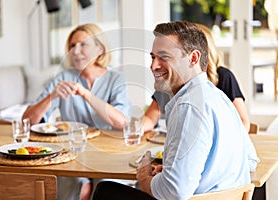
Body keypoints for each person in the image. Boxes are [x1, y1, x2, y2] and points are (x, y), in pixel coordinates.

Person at [92, 21, 259, 200]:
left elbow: (174, 192)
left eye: (164, 57)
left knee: (106, 191)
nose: (153, 66)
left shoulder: (188, 107)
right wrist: (178, 170)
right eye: (152, 57)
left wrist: (145, 178)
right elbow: (250, 162)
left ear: (193, 58)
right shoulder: (219, 98)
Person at [22, 23, 130, 200]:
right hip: (71, 154)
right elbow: (27, 121)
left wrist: (86, 94)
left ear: (100, 49)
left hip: (106, 153)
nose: (75, 50)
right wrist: (52, 96)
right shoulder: (63, 77)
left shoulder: (115, 79)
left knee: (105, 189)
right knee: (81, 189)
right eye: (72, 46)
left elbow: (122, 122)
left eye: (83, 44)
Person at [143, 23, 250, 132]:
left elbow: (243, 122)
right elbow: (151, 117)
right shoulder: (173, 80)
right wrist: (133, 129)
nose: (153, 66)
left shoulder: (223, 76)